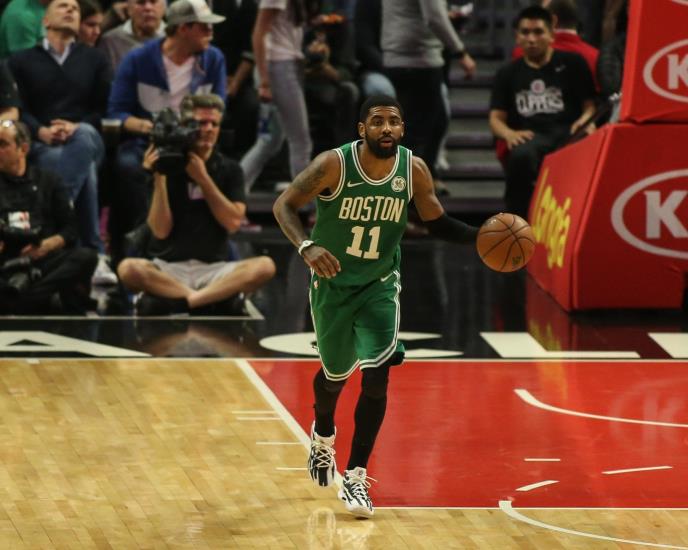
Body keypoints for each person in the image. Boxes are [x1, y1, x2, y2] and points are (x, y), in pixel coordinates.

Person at [273, 95, 483, 518]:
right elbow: (284, 206)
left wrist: (482, 236)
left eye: (394, 122)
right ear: (362, 129)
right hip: (333, 285)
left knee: (377, 374)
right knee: (334, 377)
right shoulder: (334, 165)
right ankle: (323, 433)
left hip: (380, 284)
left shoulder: (413, 169)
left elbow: (436, 221)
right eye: (377, 121)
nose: (386, 128)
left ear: (402, 129)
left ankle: (355, 475)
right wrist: (307, 246)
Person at [117, 94, 276, 316]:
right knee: (128, 269)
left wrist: (203, 179)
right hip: (168, 269)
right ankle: (210, 300)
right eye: (201, 123)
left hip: (214, 270)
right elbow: (160, 231)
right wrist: (159, 176)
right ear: (184, 126)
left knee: (265, 266)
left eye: (214, 123)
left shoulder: (230, 169)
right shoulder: (166, 165)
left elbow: (232, 223)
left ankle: (183, 301)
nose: (208, 129)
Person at [106, 0, 226, 266]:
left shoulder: (213, 59)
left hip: (195, 143)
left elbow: (219, 108)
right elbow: (117, 111)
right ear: (184, 29)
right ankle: (142, 246)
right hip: (146, 141)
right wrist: (151, 128)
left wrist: (192, 131)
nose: (211, 33)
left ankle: (214, 253)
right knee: (130, 166)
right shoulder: (138, 59)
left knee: (222, 168)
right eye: (204, 27)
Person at [8, 0, 114, 279]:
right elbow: (19, 109)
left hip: (87, 136)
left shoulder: (95, 59)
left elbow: (104, 109)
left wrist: (76, 125)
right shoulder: (20, 60)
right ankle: (93, 253)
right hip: (42, 142)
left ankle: (47, 224)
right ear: (44, 20)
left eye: (75, 8)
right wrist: (41, 131)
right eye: (62, 6)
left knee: (84, 138)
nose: (70, 10)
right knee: (83, 169)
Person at [489, 5, 596, 219]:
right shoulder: (507, 73)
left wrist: (586, 121)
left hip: (567, 133)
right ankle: (518, 222)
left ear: (551, 35)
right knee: (521, 157)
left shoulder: (573, 63)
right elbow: (495, 119)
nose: (531, 39)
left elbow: (589, 106)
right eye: (525, 32)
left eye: (538, 32)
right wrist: (509, 134)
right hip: (530, 136)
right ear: (517, 37)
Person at [0, 119, 97, 314]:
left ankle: (19, 302)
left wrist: (46, 246)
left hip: (42, 262)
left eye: (2, 145)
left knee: (85, 257)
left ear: (23, 149)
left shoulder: (49, 180)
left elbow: (71, 229)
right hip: (5, 262)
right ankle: (35, 300)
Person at [239, 0, 313, 192]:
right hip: (278, 69)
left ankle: (234, 194)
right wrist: (264, 81)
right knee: (300, 141)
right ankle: (306, 202)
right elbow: (258, 34)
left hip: (284, 65)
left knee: (269, 141)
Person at [97, 0, 166, 71]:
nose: (148, 8)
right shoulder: (110, 41)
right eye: (140, 2)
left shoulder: (172, 38)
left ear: (164, 7)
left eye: (153, 2)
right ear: (128, 9)